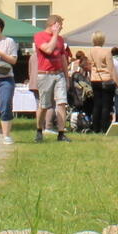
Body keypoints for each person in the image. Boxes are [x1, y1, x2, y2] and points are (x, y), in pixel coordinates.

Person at [32, 14, 72, 142]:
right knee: (44, 105)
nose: (61, 27)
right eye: (60, 24)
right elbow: (48, 50)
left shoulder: (61, 39)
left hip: (58, 74)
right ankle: (39, 130)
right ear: (53, 24)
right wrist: (54, 35)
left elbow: (63, 58)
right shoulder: (39, 36)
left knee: (61, 103)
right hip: (45, 74)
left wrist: (67, 77)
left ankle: (61, 133)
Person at [82, 32, 116, 134]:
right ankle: (104, 127)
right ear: (103, 40)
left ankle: (95, 127)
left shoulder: (89, 52)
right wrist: (117, 82)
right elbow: (111, 69)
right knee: (106, 105)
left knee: (97, 104)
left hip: (94, 80)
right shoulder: (106, 52)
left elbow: (87, 65)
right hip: (106, 80)